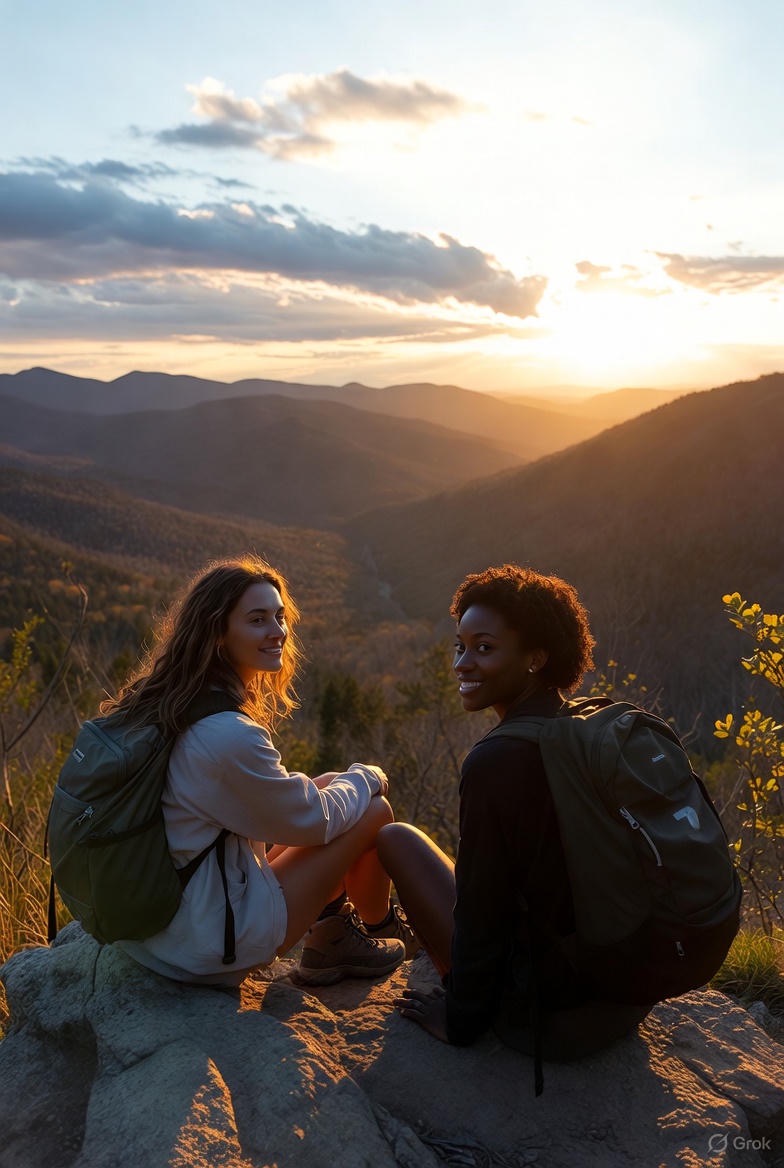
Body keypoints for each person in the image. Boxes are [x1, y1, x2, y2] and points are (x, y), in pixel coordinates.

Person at [104, 555, 417, 986]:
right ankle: (383, 927)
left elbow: (298, 810)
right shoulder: (226, 735)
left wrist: (342, 785)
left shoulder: (170, 703)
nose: (278, 632)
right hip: (205, 944)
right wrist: (367, 774)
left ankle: (331, 937)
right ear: (218, 633)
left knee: (327, 786)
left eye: (280, 616)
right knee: (372, 810)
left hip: (162, 922)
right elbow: (317, 821)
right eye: (257, 620)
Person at [380, 564, 649, 1064]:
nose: (463, 663)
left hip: (553, 1016)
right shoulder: (590, 728)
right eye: (460, 646)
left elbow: (483, 910)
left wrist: (461, 1019)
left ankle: (373, 947)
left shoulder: (498, 761)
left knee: (396, 838)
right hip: (623, 997)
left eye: (484, 648)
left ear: (536, 658)